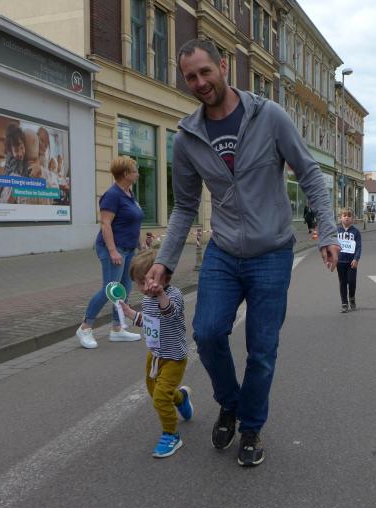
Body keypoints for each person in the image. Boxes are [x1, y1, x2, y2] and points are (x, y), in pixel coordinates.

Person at [145, 38, 339, 467]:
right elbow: (184, 207)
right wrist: (164, 261)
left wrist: (327, 230)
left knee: (262, 348)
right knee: (208, 332)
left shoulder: (268, 116)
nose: (200, 82)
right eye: (190, 77)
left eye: (205, 72)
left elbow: (309, 174)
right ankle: (230, 404)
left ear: (224, 67)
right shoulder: (187, 137)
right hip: (224, 250)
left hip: (272, 252)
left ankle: (250, 426)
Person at [119, 249, 193, 458]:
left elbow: (170, 313)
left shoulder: (173, 295)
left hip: (174, 358)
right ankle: (181, 398)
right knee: (154, 391)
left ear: (163, 277)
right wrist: (130, 313)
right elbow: (149, 322)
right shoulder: (147, 300)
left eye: (146, 282)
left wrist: (160, 294)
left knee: (160, 397)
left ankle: (171, 435)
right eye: (139, 283)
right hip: (155, 355)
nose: (143, 288)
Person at [76, 156, 144, 349]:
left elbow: (135, 222)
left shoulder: (129, 193)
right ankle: (85, 328)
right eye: (135, 170)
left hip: (129, 249)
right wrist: (113, 251)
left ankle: (117, 328)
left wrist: (142, 245)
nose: (138, 173)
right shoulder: (112, 195)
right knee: (110, 289)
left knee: (124, 289)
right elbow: (105, 224)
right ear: (125, 174)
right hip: (113, 249)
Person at [336, 208, 361, 312]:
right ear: (340, 218)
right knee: (342, 282)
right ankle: (344, 303)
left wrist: (356, 259)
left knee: (351, 282)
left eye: (349, 216)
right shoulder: (337, 231)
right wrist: (331, 257)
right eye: (344, 215)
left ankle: (352, 297)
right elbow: (332, 244)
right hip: (340, 261)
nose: (347, 217)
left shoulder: (356, 232)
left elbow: (358, 247)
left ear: (353, 219)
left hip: (351, 262)